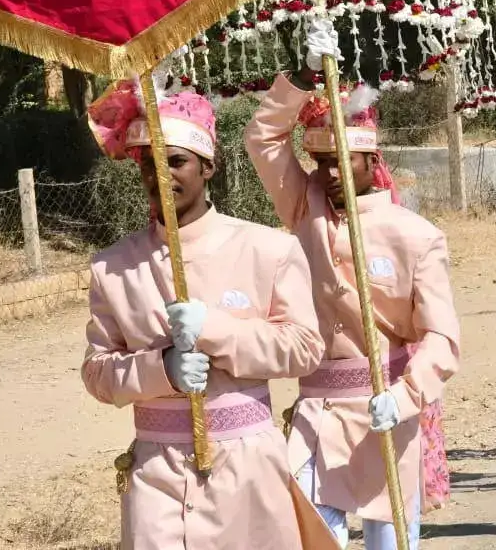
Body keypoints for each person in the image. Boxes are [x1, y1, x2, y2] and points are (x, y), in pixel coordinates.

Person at [81, 82, 334, 550]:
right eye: (150, 164)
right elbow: (97, 372)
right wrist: (161, 370)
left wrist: (215, 329)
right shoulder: (112, 266)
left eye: (176, 161)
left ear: (208, 166)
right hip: (156, 470)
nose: (163, 175)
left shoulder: (268, 249)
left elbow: (303, 348)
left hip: (249, 470)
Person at [245, 20, 460, 550]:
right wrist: (302, 76)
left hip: (387, 407)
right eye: (321, 162)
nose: (331, 174)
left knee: (390, 541)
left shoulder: (417, 236)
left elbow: (442, 339)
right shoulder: (304, 207)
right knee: (314, 537)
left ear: (372, 160)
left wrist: (408, 395)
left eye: (344, 161)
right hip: (317, 408)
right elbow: (262, 138)